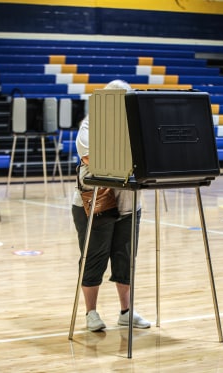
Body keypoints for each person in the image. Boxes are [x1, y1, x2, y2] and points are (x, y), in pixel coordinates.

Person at [72, 80, 151, 332]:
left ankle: (127, 311)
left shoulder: (135, 125)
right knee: (94, 256)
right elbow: (93, 159)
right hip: (95, 204)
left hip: (130, 204)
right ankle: (90, 312)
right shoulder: (89, 124)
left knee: (126, 257)